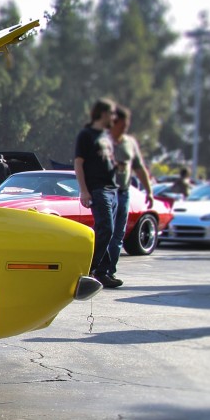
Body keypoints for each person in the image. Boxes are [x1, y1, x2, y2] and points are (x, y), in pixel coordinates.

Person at [103, 105, 155, 284]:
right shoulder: (101, 140)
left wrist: (149, 191)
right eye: (121, 125)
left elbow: (139, 167)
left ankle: (109, 272)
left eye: (126, 126)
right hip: (105, 191)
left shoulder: (129, 143)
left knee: (118, 233)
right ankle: (97, 269)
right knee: (105, 231)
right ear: (113, 122)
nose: (124, 129)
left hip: (123, 192)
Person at [73, 98, 120, 288]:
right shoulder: (86, 135)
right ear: (102, 113)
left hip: (112, 189)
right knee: (105, 228)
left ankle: (103, 272)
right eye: (112, 113)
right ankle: (89, 269)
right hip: (97, 190)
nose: (114, 117)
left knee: (107, 231)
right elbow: (79, 163)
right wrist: (84, 191)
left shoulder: (106, 136)